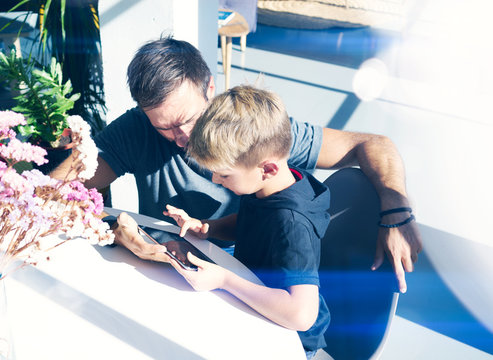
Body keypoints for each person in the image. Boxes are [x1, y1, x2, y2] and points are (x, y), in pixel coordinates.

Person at [50, 36, 422, 293]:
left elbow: (373, 144)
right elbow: (51, 194)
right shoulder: (137, 129)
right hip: (165, 273)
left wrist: (396, 212)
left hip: (246, 283)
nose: (182, 137)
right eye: (164, 127)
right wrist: (114, 230)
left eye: (188, 120)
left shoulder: (252, 131)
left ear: (209, 88)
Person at [164, 85, 329, 359]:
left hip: (290, 340)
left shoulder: (292, 222)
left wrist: (224, 280)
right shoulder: (267, 186)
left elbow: (301, 315)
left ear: (267, 168)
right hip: (254, 303)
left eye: (224, 175)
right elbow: (249, 222)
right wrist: (207, 228)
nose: (216, 181)